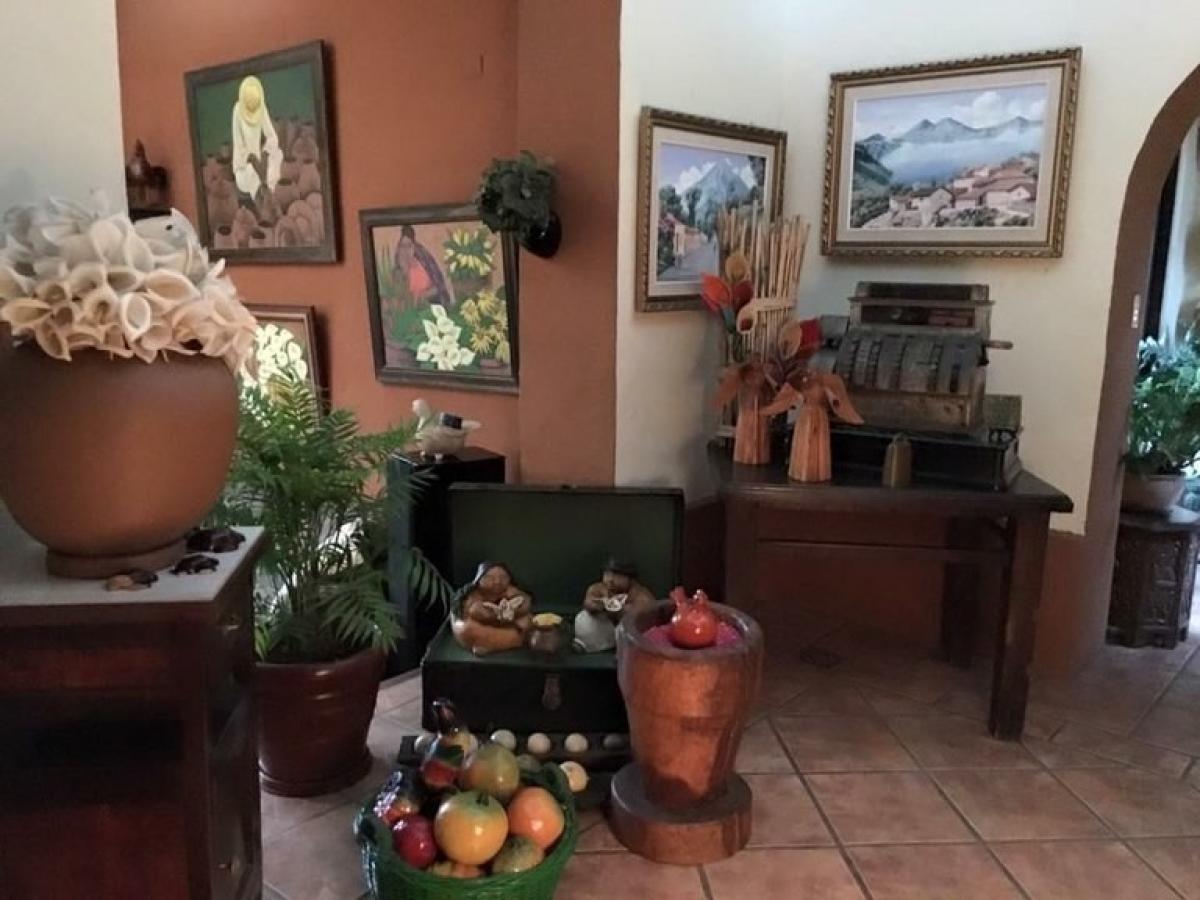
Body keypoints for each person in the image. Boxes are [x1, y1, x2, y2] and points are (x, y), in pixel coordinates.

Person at [230, 76, 282, 208]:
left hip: (261, 161)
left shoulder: (261, 108)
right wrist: (253, 161)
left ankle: (270, 195)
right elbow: (239, 144)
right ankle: (263, 206)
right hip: (245, 165)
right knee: (251, 174)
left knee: (278, 155)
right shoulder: (237, 110)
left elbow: (272, 136)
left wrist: (265, 153)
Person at [391, 225, 452, 309]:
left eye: (409, 246)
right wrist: (405, 268)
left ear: (414, 247)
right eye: (402, 246)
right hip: (411, 307)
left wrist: (423, 296)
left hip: (431, 302)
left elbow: (438, 286)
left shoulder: (424, 260)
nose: (405, 250)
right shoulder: (398, 269)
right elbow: (400, 295)